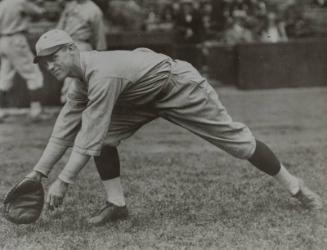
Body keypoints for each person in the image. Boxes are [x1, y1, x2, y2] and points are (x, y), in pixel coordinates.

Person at [26, 29, 322, 226]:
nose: (50, 65)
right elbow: (63, 130)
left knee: (238, 143)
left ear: (71, 49)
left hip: (178, 86)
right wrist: (37, 174)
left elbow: (86, 137)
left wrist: (63, 181)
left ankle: (296, 187)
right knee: (106, 140)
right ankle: (116, 204)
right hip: (139, 96)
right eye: (45, 61)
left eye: (55, 56)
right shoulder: (79, 82)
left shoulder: (101, 75)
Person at [0, 0, 46, 122]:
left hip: (3, 40)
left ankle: (0, 111)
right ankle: (36, 111)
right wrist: (39, 5)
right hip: (16, 39)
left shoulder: (3, 3)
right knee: (34, 75)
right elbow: (39, 13)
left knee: (5, 78)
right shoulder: (19, 2)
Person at [56, 0, 107, 103]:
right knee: (68, 77)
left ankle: (72, 106)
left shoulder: (94, 10)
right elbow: (59, 27)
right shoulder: (70, 5)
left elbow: (99, 36)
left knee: (75, 79)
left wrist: (100, 54)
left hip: (82, 46)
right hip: (65, 45)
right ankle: (69, 106)